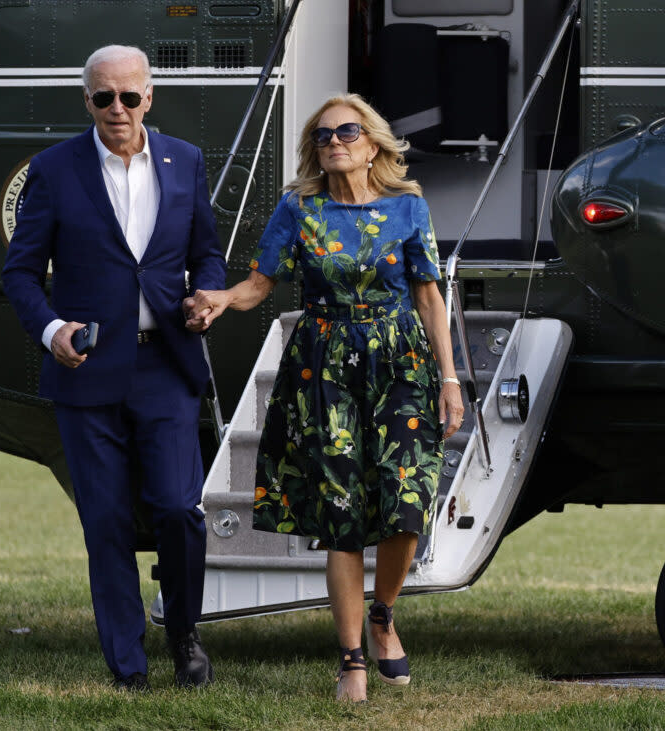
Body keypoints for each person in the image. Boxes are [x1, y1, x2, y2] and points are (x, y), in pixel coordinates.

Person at [185, 93, 464, 702]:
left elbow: (429, 298)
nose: (335, 140)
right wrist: (221, 300)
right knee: (341, 513)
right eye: (323, 134)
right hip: (324, 367)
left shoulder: (408, 209)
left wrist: (450, 379)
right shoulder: (298, 209)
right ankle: (352, 661)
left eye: (348, 131)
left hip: (400, 363)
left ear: (373, 146)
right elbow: (261, 284)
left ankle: (384, 614)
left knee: (405, 501)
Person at [2, 45, 226, 691]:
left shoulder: (183, 161)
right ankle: (127, 665)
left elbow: (206, 253)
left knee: (181, 509)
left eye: (129, 96)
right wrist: (51, 329)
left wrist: (205, 296)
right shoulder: (53, 169)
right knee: (105, 520)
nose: (118, 109)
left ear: (149, 97)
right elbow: (18, 271)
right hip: (88, 369)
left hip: (166, 364)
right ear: (87, 101)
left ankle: (184, 632)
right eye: (104, 97)